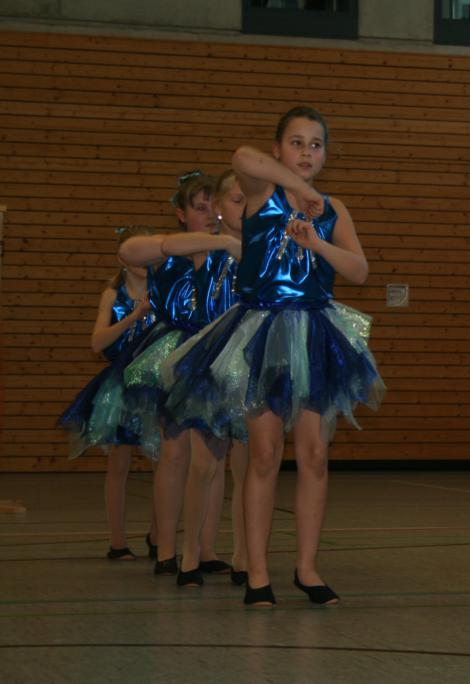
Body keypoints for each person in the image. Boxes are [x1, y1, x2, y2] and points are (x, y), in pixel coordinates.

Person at [162, 106, 385, 606]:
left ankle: (307, 568)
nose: (306, 153)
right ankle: (258, 573)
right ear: (279, 148)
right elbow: (242, 156)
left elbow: (359, 271)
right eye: (296, 143)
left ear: (326, 154)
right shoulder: (262, 194)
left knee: (314, 455)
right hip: (261, 332)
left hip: (314, 334)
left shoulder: (333, 209)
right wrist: (296, 187)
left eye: (315, 145)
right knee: (263, 454)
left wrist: (318, 243)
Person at [119, 171, 218, 575]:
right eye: (200, 208)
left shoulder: (226, 254)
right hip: (174, 352)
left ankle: (206, 549)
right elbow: (128, 251)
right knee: (174, 452)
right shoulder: (167, 253)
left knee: (212, 455)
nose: (209, 215)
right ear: (181, 213)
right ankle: (164, 549)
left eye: (214, 208)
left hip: (214, 350)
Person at [157, 170, 245, 588]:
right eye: (235, 200)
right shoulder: (203, 249)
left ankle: (239, 555)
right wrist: (222, 240)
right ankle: (185, 552)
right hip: (204, 364)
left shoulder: (256, 248)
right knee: (199, 463)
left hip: (245, 361)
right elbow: (161, 247)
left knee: (245, 467)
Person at [57, 226, 156, 560]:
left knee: (164, 461)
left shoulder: (165, 291)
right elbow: (97, 342)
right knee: (119, 463)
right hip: (121, 384)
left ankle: (159, 538)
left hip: (156, 381)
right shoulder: (113, 294)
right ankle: (118, 542)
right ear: (123, 258)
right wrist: (133, 317)